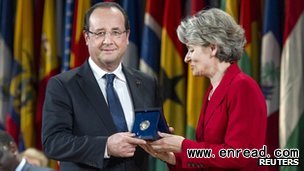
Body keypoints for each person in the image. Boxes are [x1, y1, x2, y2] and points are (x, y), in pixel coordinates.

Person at [141, 8, 267, 171]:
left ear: (213, 48)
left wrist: (183, 146)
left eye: (192, 49)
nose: (187, 58)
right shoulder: (212, 91)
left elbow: (239, 156)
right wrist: (172, 157)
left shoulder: (243, 87)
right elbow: (209, 160)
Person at [42, 2, 161, 171]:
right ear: (86, 37)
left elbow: (150, 130)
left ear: (127, 37)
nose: (108, 41)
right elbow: (53, 143)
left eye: (116, 32)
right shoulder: (62, 85)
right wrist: (106, 146)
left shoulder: (147, 83)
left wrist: (161, 135)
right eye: (99, 33)